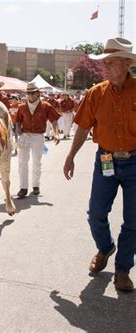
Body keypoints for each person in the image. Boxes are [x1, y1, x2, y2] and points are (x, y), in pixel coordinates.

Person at [63, 37, 136, 292]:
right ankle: (105, 248)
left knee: (134, 221)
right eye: (103, 61)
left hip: (135, 162)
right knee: (95, 213)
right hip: (105, 159)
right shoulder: (96, 93)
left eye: (111, 62)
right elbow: (83, 128)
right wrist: (70, 156)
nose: (104, 66)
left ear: (127, 64)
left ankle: (123, 269)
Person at [15, 82, 60, 198]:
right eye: (28, 93)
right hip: (25, 136)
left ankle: (36, 185)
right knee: (22, 162)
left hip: (38, 137)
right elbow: (18, 121)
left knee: (36, 162)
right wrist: (17, 131)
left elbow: (54, 121)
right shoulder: (21, 107)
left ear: (38, 93)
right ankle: (23, 188)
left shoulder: (46, 106)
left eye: (32, 93)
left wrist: (56, 134)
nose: (30, 95)